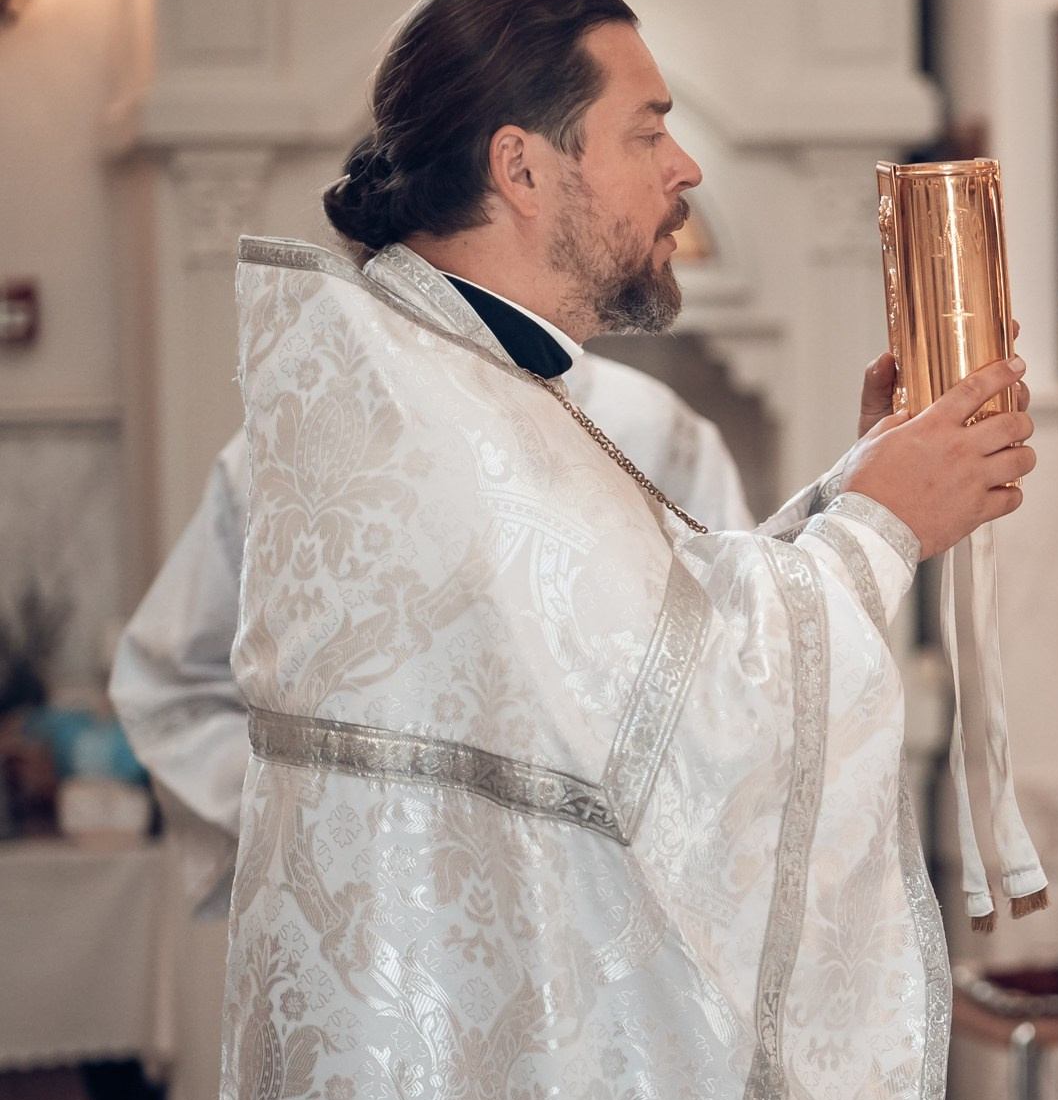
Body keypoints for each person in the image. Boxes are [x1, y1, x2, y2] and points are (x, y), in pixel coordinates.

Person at [188, 0, 1035, 1100]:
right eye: (646, 127)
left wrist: (858, 490)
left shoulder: (437, 374)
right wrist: (884, 526)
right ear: (524, 163)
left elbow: (651, 644)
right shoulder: (445, 418)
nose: (684, 164)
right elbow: (690, 719)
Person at [112, 357, 752, 881]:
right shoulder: (300, 440)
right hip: (380, 928)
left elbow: (734, 670)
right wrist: (325, 825)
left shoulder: (652, 432)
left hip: (609, 913)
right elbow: (171, 691)